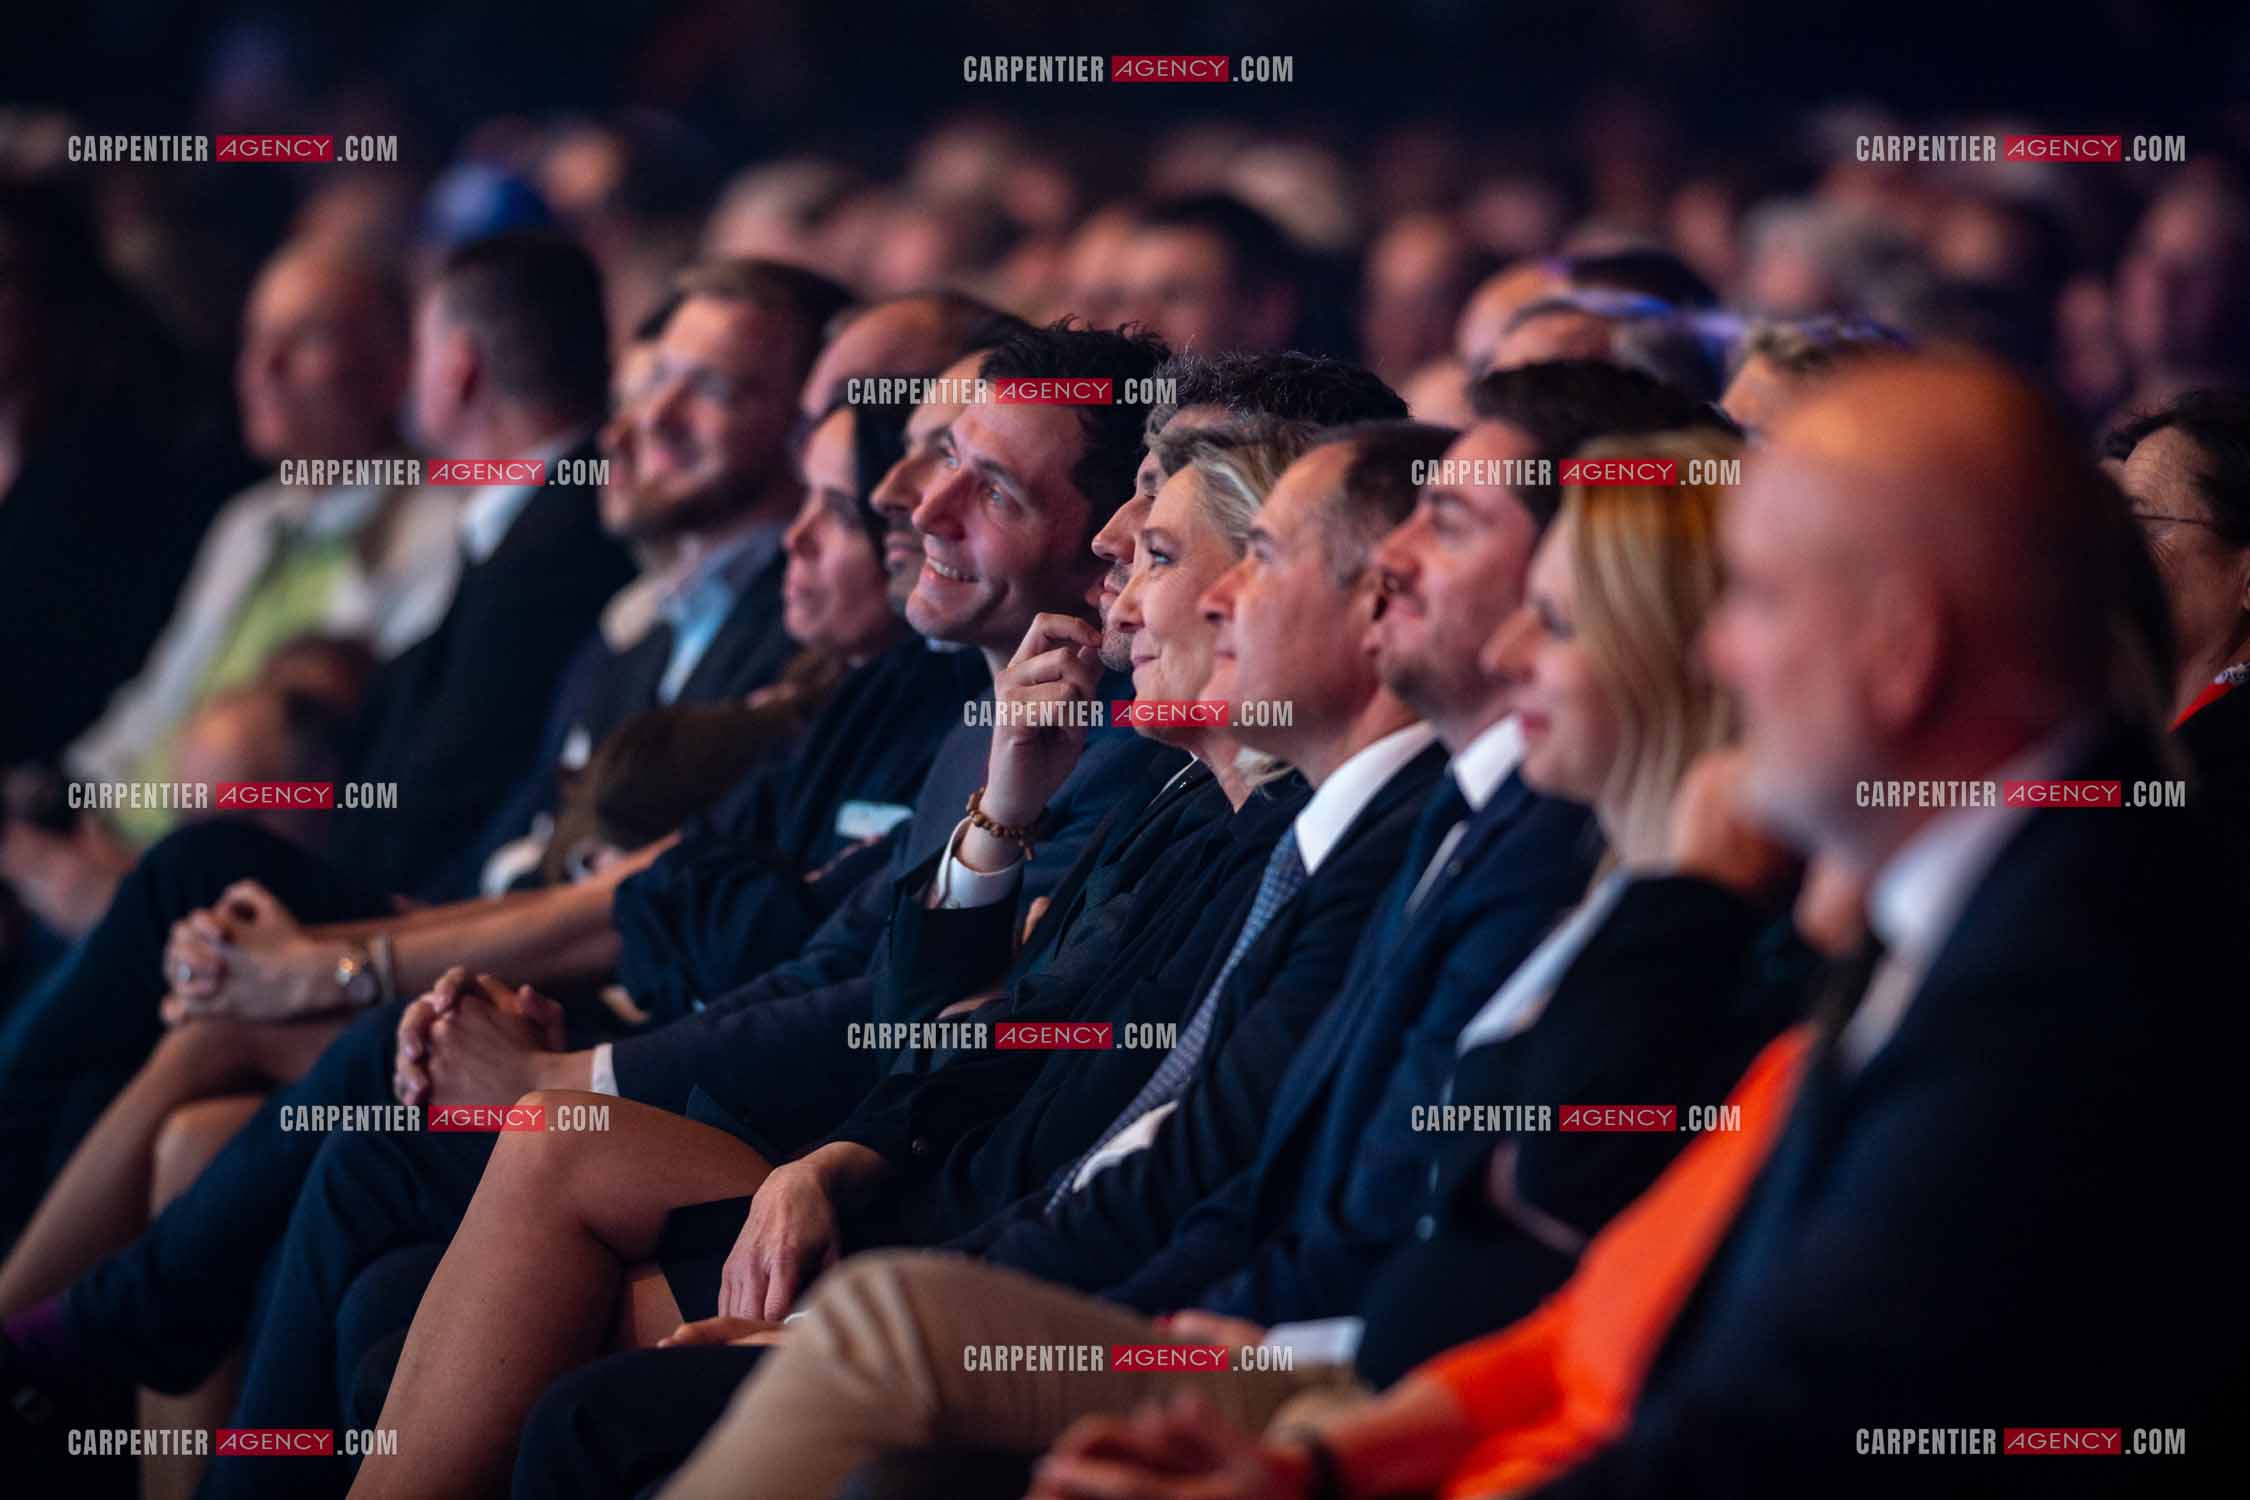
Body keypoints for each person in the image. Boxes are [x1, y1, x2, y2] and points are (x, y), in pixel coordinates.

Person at [1016, 353, 2243, 1499]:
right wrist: (1318, 1472)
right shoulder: (1958, 906)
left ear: (1903, 649)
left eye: (1754, 600)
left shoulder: (2066, 978)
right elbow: (1623, 1314)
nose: (1713, 649)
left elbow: (1757, 1437)